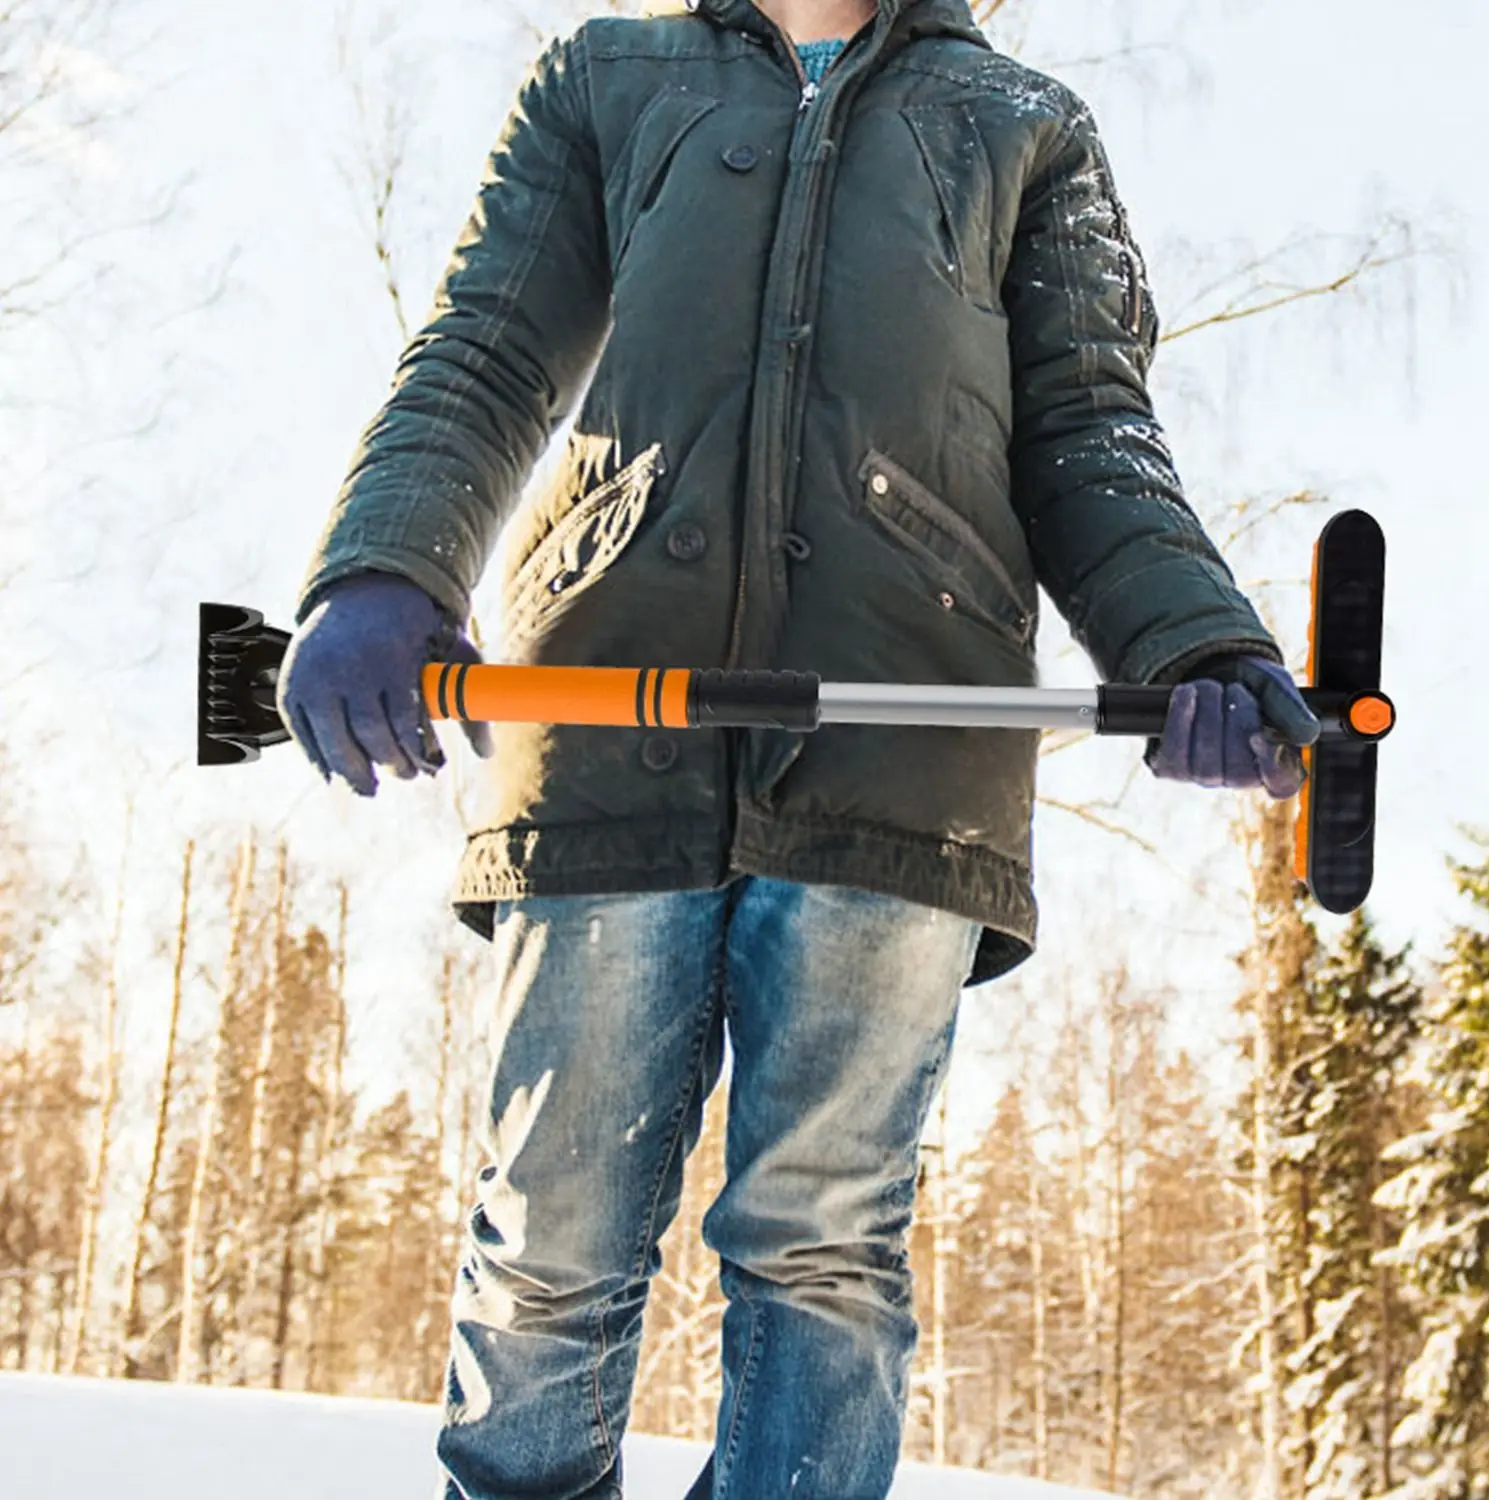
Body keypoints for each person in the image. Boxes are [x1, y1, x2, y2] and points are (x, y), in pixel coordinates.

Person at [276, 0, 1321, 1491]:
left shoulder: (1022, 124)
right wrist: (386, 566)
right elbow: (488, 353)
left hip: (905, 755)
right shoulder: (607, 80)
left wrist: (1193, 643)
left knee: (822, 1249)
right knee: (550, 1239)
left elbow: (1090, 432)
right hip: (601, 725)